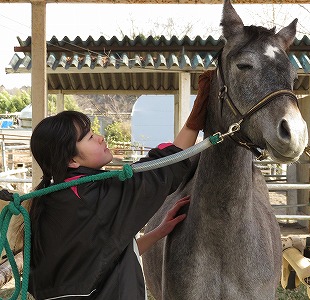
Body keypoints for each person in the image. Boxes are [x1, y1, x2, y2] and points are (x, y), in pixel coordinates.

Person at [27, 70, 214, 300]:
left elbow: (104, 259)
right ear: (71, 160)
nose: (100, 137)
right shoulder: (93, 198)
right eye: (88, 137)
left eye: (94, 131)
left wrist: (157, 233)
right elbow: (164, 168)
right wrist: (197, 114)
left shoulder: (51, 198)